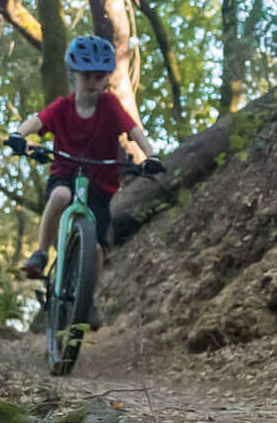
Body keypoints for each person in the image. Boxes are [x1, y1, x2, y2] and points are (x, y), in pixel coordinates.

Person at [9, 35, 166, 291]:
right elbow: (37, 120)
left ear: (106, 78)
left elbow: (132, 129)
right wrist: (18, 135)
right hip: (64, 172)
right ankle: (40, 253)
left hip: (100, 184)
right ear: (74, 75)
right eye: (86, 75)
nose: (92, 81)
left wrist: (151, 155)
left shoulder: (110, 105)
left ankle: (88, 302)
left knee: (95, 248)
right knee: (60, 195)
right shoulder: (63, 106)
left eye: (99, 76)